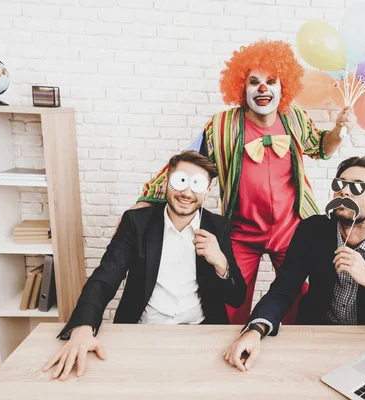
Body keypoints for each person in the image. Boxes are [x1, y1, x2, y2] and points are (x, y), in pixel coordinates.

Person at [131, 40, 356, 325]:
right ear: (241, 87)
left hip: (290, 229)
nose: (263, 88)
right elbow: (188, 162)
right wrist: (148, 198)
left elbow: (321, 147)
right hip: (241, 231)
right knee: (229, 299)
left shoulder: (295, 118)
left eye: (271, 81)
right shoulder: (222, 124)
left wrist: (339, 128)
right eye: (254, 81)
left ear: (283, 87)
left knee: (296, 298)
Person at [223, 156, 365, 372]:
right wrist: (255, 330)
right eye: (340, 184)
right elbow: (283, 290)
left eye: (357, 187)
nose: (344, 192)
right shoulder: (312, 230)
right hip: (317, 336)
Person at [43, 151, 246, 380]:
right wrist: (83, 327)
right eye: (180, 181)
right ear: (167, 182)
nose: (187, 192)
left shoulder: (218, 227)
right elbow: (105, 277)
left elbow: (237, 297)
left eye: (196, 185)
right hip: (142, 331)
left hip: (200, 333)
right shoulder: (135, 223)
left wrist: (220, 261)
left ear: (207, 191)